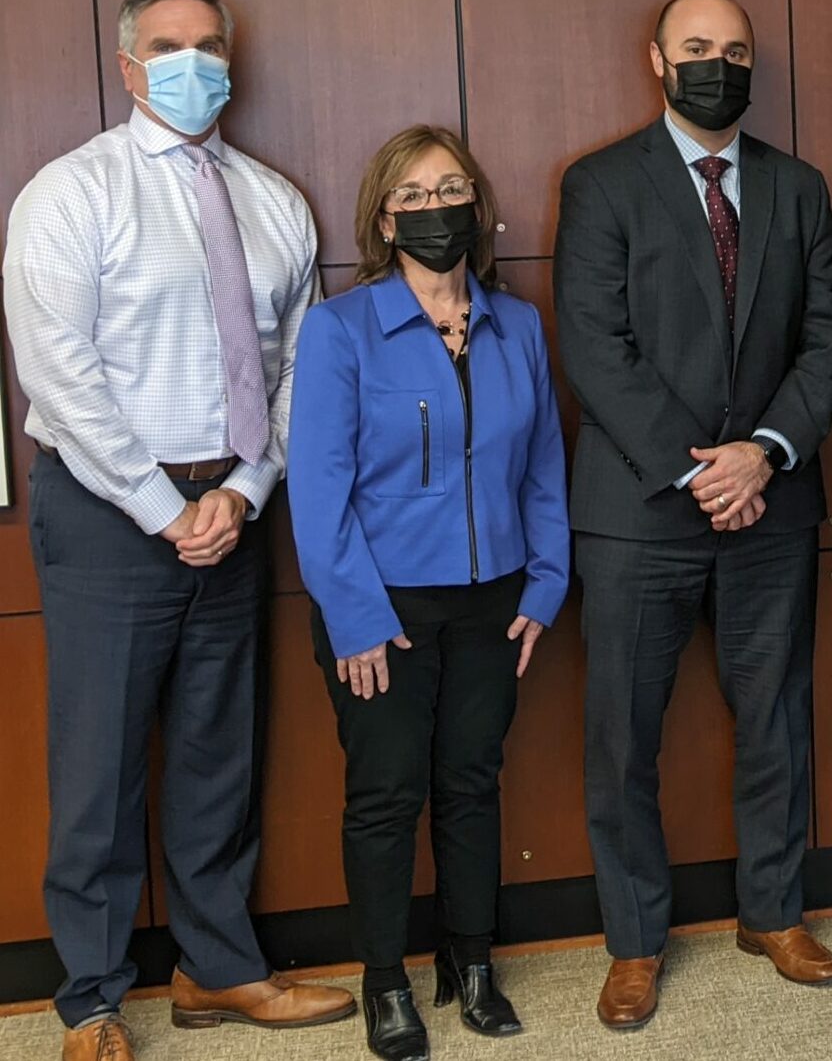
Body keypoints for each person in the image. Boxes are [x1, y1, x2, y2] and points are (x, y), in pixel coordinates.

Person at [2, 0, 354, 1061]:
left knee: (220, 749)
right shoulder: (70, 194)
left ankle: (217, 969)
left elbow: (297, 363)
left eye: (209, 45)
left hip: (236, 503)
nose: (192, 62)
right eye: (168, 46)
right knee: (101, 759)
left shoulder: (273, 199)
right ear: (127, 66)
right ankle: (93, 1000)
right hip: (113, 507)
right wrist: (165, 508)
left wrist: (246, 490)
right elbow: (59, 376)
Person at [555, 0, 832, 1029]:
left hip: (773, 500)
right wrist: (702, 469)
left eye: (734, 51)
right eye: (697, 48)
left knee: (776, 720)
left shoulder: (800, 187)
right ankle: (634, 942)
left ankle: (773, 913)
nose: (716, 64)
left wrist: (762, 455)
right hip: (642, 509)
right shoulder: (599, 184)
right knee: (623, 736)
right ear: (657, 58)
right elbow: (596, 348)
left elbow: (830, 338)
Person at [287, 126, 570, 1061]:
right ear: (383, 217)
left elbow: (541, 469)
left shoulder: (517, 323)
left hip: (495, 602)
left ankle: (472, 963)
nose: (433, 207)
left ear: (480, 208)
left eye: (450, 189)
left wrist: (546, 578)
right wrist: (354, 616)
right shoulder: (339, 328)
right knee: (384, 795)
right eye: (410, 194)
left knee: (471, 786)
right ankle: (384, 983)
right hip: (386, 611)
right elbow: (319, 491)